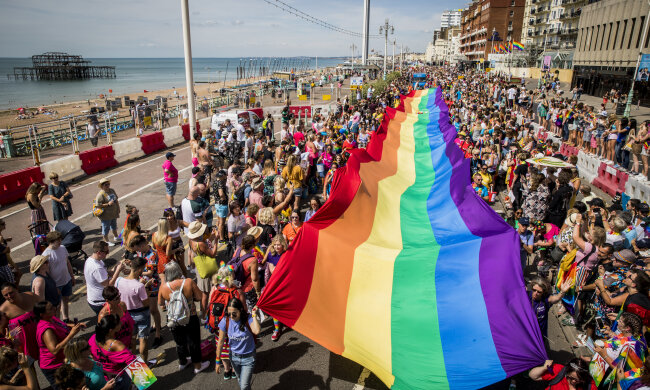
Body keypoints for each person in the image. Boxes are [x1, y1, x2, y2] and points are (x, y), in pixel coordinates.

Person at [158, 262, 210, 374]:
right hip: (190, 316)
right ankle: (197, 365)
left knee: (179, 342)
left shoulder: (163, 287)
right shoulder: (188, 282)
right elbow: (200, 296)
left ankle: (183, 362)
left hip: (173, 319)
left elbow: (161, 303)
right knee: (194, 341)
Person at [34, 301, 86, 388]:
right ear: (41, 314)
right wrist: (71, 334)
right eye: (50, 308)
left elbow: (62, 324)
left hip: (63, 361)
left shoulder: (52, 318)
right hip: (53, 367)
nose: (55, 308)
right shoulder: (47, 330)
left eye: (53, 306)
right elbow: (54, 350)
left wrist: (74, 326)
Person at [113, 256, 153, 364]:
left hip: (127, 314)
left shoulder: (118, 281)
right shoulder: (139, 286)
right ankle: (145, 362)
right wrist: (146, 288)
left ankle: (133, 362)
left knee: (132, 339)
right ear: (139, 269)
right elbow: (145, 302)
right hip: (141, 313)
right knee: (143, 339)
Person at [215, 298, 261, 390]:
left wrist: (254, 316)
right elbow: (220, 342)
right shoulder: (226, 321)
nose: (231, 316)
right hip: (234, 357)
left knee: (243, 385)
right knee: (241, 381)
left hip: (248, 358)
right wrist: (217, 361)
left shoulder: (248, 319)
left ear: (240, 310)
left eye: (234, 313)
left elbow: (256, 331)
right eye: (229, 313)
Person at [88, 314, 137, 387]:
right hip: (119, 378)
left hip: (104, 378)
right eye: (119, 323)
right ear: (111, 330)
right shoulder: (116, 345)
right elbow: (134, 364)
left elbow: (90, 355)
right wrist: (145, 381)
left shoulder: (92, 338)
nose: (121, 323)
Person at [84, 241, 125, 315]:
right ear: (99, 252)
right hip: (100, 301)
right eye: (106, 252)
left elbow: (105, 273)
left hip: (95, 297)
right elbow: (108, 285)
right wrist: (118, 271)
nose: (108, 253)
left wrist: (115, 269)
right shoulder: (96, 267)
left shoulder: (94, 260)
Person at [42, 231, 75, 322]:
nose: (60, 242)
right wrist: (53, 286)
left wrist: (72, 276)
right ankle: (58, 322)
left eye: (60, 240)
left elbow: (67, 262)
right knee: (56, 306)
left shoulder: (63, 248)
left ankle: (66, 319)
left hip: (66, 280)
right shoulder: (46, 255)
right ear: (51, 241)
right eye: (58, 240)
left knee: (65, 300)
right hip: (56, 284)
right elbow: (46, 273)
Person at [97, 286, 134, 351]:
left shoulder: (122, 305)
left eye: (119, 296)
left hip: (128, 338)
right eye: (116, 298)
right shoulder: (103, 315)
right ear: (107, 300)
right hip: (117, 346)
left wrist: (132, 338)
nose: (119, 299)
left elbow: (129, 323)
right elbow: (103, 336)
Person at [529, 358, 596, 389]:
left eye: (579, 380)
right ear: (567, 371)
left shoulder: (589, 384)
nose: (574, 381)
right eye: (571, 378)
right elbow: (533, 376)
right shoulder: (559, 370)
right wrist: (544, 368)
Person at [95, 178, 120, 246]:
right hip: (106, 215)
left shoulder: (112, 190)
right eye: (106, 185)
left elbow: (116, 199)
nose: (108, 186)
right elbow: (98, 205)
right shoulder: (101, 194)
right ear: (102, 186)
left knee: (114, 225)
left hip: (113, 212)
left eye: (108, 184)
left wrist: (118, 208)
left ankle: (116, 237)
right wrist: (108, 204)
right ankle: (106, 241)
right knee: (106, 228)